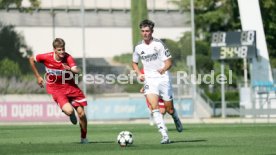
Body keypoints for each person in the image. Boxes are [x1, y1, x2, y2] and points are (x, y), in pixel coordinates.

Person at [29, 38, 88, 144]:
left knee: (82, 114)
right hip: (56, 89)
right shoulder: (46, 57)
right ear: (54, 50)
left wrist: (70, 69)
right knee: (69, 111)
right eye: (59, 50)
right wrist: (38, 77)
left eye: (63, 49)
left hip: (71, 87)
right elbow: (31, 59)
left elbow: (77, 70)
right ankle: (70, 113)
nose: (62, 52)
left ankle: (84, 138)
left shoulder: (68, 57)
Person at [132, 19, 183, 144]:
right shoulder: (138, 47)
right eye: (143, 31)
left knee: (169, 109)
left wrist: (164, 69)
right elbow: (134, 63)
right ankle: (164, 135)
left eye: (147, 31)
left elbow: (169, 62)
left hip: (163, 78)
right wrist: (139, 74)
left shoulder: (159, 44)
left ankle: (175, 117)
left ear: (152, 31)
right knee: (154, 108)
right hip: (150, 79)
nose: (145, 33)